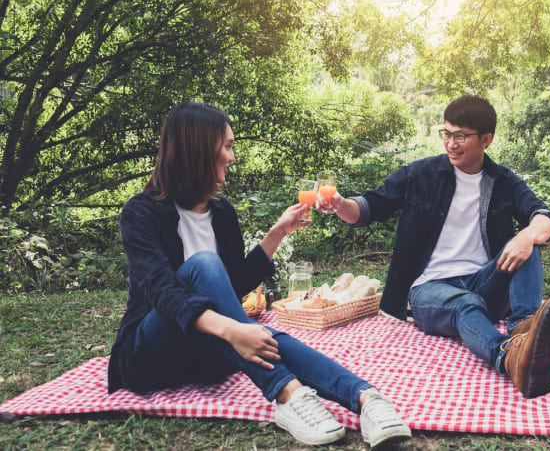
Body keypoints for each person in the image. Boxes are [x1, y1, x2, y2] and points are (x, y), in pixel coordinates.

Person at [107, 102, 411, 446]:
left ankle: (368, 400)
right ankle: (289, 395)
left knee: (261, 333)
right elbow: (162, 293)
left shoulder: (221, 213)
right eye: (227, 146)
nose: (232, 157)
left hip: (206, 358)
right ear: (198, 148)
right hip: (150, 356)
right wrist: (234, 329)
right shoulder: (141, 212)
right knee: (210, 270)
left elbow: (232, 285)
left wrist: (277, 233)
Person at [319, 94, 550, 399]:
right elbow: (368, 208)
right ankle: (507, 355)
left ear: (486, 139)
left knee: (528, 243)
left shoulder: (503, 181)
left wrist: (528, 234)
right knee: (464, 304)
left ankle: (524, 331)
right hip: (430, 289)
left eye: (461, 136)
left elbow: (544, 216)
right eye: (447, 134)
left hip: (483, 283)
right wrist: (340, 204)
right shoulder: (421, 174)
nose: (451, 144)